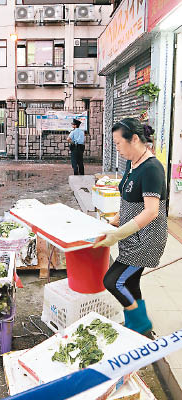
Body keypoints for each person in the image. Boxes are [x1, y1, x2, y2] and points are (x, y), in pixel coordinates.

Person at [93, 118, 168, 335]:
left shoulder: (152, 168)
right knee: (131, 282)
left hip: (146, 239)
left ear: (134, 139)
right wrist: (114, 221)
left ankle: (140, 323)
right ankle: (139, 325)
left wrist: (117, 234)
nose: (116, 149)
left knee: (113, 281)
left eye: (118, 143)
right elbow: (128, 202)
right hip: (130, 234)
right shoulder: (131, 163)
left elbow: (151, 212)